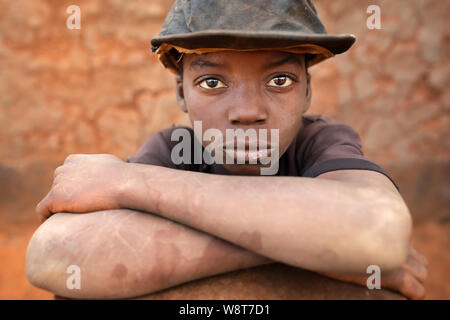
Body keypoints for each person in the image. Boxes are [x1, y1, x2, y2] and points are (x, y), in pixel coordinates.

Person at [26, 0, 427, 299]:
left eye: (281, 80)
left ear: (308, 91)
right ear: (181, 93)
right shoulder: (173, 150)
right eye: (213, 83)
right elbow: (57, 255)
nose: (248, 112)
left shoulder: (320, 140)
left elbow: (379, 232)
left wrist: (128, 180)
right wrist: (324, 249)